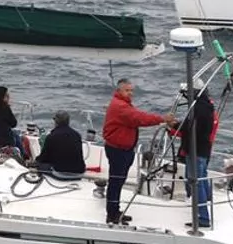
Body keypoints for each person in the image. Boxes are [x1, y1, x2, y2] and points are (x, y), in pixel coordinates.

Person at [103, 78, 175, 224]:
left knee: (118, 181)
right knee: (116, 182)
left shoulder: (123, 104)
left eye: (131, 90)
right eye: (127, 90)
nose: (130, 93)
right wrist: (162, 118)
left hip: (123, 149)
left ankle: (114, 210)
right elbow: (138, 118)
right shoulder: (120, 107)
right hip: (118, 150)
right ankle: (112, 214)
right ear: (119, 91)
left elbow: (137, 117)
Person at [181, 84, 218, 228]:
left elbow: (189, 128)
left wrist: (174, 126)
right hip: (204, 149)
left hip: (195, 150)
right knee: (202, 178)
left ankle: (203, 217)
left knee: (195, 182)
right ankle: (207, 201)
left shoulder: (197, 109)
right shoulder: (208, 107)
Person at [33, 111, 87, 177]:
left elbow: (43, 158)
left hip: (60, 172)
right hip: (79, 171)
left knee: (40, 165)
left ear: (56, 121)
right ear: (68, 121)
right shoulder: (77, 135)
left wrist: (35, 161)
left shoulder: (51, 136)